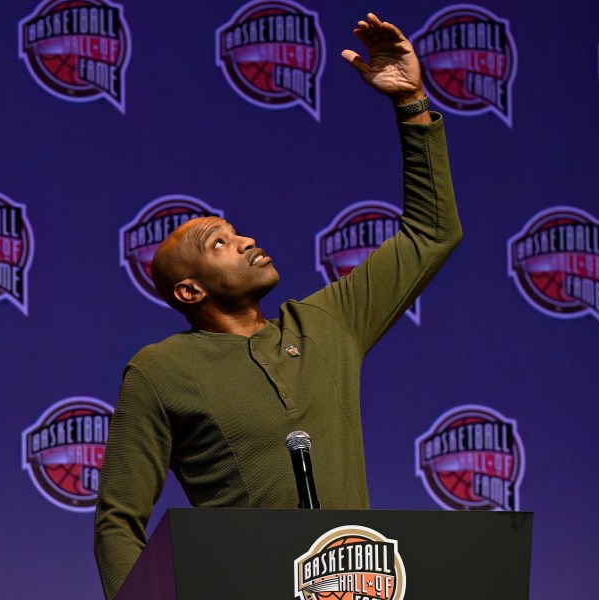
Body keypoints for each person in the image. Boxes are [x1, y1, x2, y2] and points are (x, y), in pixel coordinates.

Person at [94, 13, 462, 599]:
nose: (243, 240)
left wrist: (412, 103)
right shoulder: (160, 372)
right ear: (189, 291)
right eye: (218, 243)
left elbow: (431, 233)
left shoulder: (326, 323)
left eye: (237, 231)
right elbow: (118, 519)